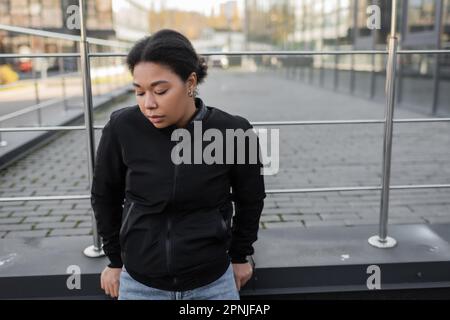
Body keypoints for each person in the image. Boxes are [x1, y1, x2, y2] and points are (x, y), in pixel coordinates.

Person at [91, 29, 266, 300]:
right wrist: (114, 260)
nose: (148, 104)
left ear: (190, 82)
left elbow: (251, 199)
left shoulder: (232, 131)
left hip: (213, 283)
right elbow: (104, 196)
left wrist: (241, 255)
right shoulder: (122, 127)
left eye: (160, 91)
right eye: (139, 92)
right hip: (140, 284)